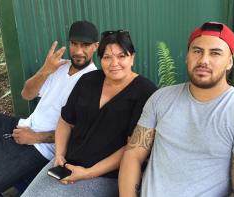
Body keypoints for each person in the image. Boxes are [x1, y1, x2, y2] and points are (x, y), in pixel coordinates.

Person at [0, 20, 99, 197]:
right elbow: (27, 94)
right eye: (74, 44)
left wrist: (36, 137)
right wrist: (45, 70)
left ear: (96, 46)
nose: (78, 51)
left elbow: (80, 133)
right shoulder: (59, 66)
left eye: (85, 45)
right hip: (21, 126)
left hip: (40, 147)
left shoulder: (93, 83)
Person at [119, 22, 234, 197]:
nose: (203, 60)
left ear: (229, 62)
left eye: (215, 53)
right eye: (197, 51)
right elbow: (133, 154)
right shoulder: (161, 98)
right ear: (187, 56)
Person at [21, 30, 157, 197]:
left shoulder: (145, 91)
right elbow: (65, 121)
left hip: (106, 175)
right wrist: (59, 155)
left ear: (132, 57)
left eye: (122, 56)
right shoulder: (88, 80)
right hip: (67, 164)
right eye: (107, 57)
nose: (114, 63)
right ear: (100, 59)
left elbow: (132, 149)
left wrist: (88, 173)